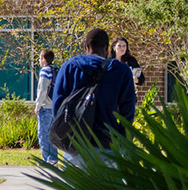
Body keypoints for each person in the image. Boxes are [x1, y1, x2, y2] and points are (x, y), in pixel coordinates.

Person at [52, 28, 136, 167]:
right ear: (106, 47)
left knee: (76, 188)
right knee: (108, 188)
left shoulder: (69, 67)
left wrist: (66, 134)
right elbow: (127, 111)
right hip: (107, 143)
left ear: (85, 46)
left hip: (75, 144)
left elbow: (58, 106)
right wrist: (120, 141)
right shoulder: (121, 71)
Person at [34, 48, 58, 165]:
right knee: (52, 134)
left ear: (43, 59)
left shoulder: (44, 71)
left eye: (39, 58)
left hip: (45, 107)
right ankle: (53, 158)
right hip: (55, 107)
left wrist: (37, 105)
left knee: (43, 134)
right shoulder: (55, 70)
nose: (39, 60)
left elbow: (42, 90)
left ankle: (46, 159)